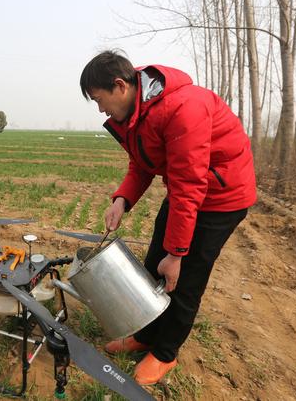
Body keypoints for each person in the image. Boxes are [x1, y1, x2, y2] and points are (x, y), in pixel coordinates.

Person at [79, 50, 256, 385]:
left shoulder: (183, 108)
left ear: (120, 86)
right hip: (187, 191)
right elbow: (141, 162)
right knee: (152, 264)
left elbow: (191, 184)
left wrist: (177, 254)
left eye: (99, 99)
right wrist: (122, 199)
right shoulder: (137, 111)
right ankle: (146, 335)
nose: (100, 109)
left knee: (184, 278)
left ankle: (165, 353)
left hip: (220, 196)